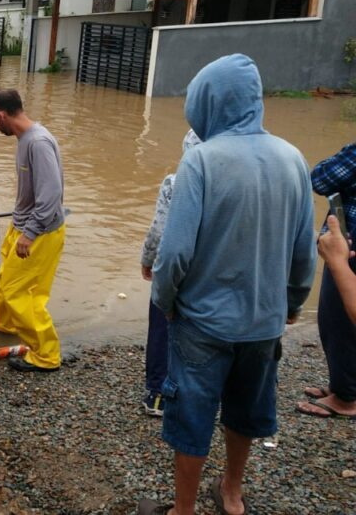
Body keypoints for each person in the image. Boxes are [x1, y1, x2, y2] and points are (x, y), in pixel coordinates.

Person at [138, 54, 316, 515]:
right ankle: (232, 495)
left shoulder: (201, 160)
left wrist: (166, 301)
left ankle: (184, 509)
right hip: (264, 323)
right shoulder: (293, 158)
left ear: (207, 103)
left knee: (192, 414)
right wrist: (293, 302)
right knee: (245, 410)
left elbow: (174, 254)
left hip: (203, 323)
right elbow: (303, 250)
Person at [0, 89, 66, 373]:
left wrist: (30, 232)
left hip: (39, 232)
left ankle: (46, 355)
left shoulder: (38, 142)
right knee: (7, 279)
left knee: (22, 293)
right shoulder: (25, 139)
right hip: (22, 225)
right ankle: (6, 325)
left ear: (2, 115)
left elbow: (51, 193)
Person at [139, 130, 202, 417]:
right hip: (212, 276)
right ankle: (200, 393)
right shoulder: (239, 182)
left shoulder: (175, 184)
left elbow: (159, 231)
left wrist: (148, 260)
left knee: (163, 326)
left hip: (177, 271)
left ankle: (157, 394)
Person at [295, 143, 356, 419]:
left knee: (338, 320)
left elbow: (319, 178)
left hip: (348, 248)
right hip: (346, 245)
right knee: (338, 319)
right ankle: (340, 386)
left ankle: (346, 398)